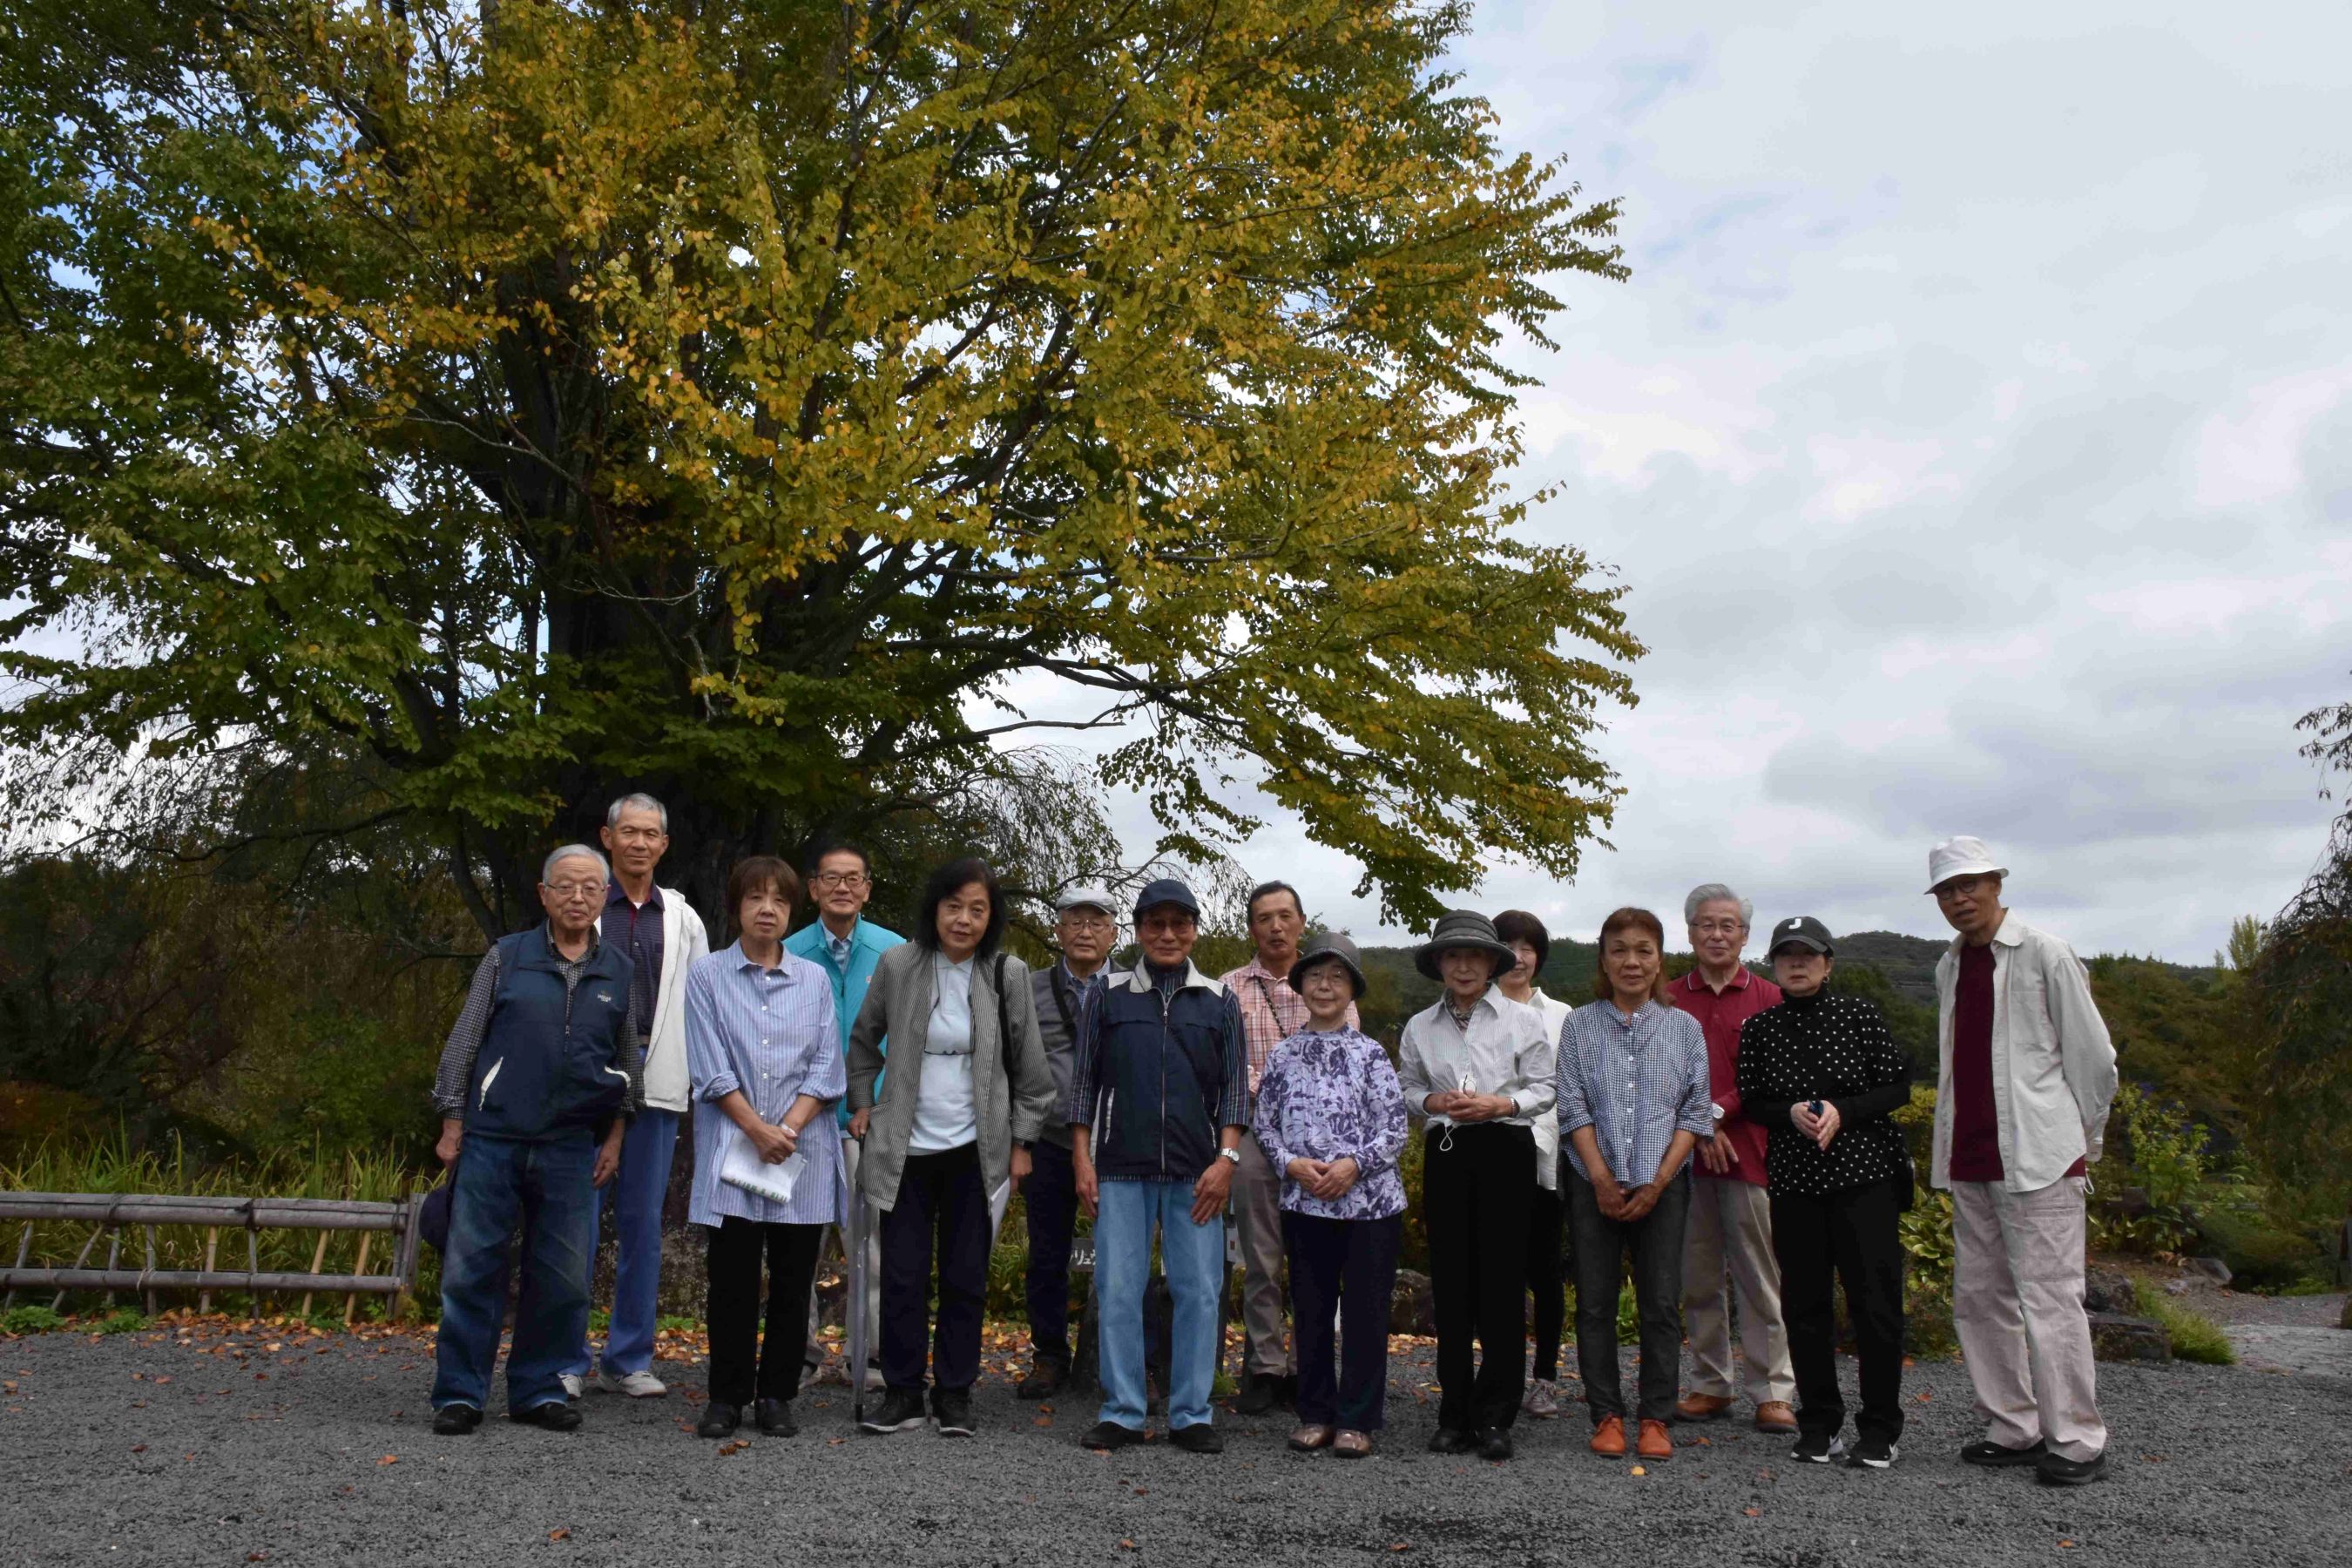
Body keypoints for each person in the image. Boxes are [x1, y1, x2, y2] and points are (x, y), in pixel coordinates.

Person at [427, 845, 642, 1435]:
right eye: (566, 887)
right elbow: (465, 1041)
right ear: (543, 894)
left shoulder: (618, 969)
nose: (578, 898)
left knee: (565, 1278)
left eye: (590, 889)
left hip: (572, 1145)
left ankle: (540, 1389)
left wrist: (615, 1138)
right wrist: (452, 1119)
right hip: (493, 1138)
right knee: (472, 1270)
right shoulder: (507, 956)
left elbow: (627, 1064)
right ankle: (459, 1394)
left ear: (604, 898)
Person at [1927, 837, 2118, 1486]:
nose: (1960, 899)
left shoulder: (2047, 954)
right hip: (1971, 1156)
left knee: (2051, 1300)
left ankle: (2079, 1440)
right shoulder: (1949, 966)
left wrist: (2080, 1144)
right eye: (1948, 891)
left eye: (1969, 885)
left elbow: (2095, 1063)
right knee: (1980, 1300)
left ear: (1997, 883)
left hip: (2041, 1158)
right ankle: (2015, 1426)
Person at [846, 857, 1055, 1438]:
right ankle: (904, 1391)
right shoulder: (899, 964)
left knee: (965, 1275)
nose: (964, 920)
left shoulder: (1006, 974)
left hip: (978, 1147)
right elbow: (863, 1043)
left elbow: (1033, 1073)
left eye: (977, 909)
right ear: (934, 909)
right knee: (903, 1274)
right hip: (905, 1145)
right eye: (953, 906)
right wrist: (862, 1103)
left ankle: (956, 1392)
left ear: (992, 917)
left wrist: (1023, 1142)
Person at [1066, 877, 1249, 1455]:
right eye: (1155, 924)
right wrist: (1082, 1159)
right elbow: (1083, 1085)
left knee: (1199, 1290)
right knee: (1118, 1287)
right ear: (1139, 930)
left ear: (1195, 928)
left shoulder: (1219, 1000)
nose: (1168, 935)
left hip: (1198, 1171)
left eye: (1180, 923)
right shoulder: (1108, 994)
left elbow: (1236, 1093)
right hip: (1120, 1163)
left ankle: (1192, 1413)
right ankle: (1123, 1411)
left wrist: (1226, 1161)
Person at [1736, 916, 1912, 1469]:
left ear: (1827, 963)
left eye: (1807, 955)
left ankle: (1880, 1428)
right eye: (1786, 955)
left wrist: (1846, 1109)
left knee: (1874, 1305)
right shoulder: (1760, 1028)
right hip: (1794, 1182)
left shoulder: (1857, 1015)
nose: (1797, 963)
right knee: (1804, 1306)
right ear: (1774, 964)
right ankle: (1819, 1423)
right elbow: (1752, 1101)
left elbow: (1897, 1086)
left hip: (1865, 1180)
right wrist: (1787, 1113)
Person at [682, 855, 843, 1439]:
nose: (767, 909)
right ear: (736, 907)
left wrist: (788, 1129)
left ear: (792, 909)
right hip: (733, 1146)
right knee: (732, 1279)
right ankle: (725, 1396)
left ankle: (777, 1394)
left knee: (794, 1279)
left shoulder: (815, 980)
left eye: (778, 899)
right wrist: (756, 1128)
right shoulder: (706, 977)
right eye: (755, 898)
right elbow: (710, 1067)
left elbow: (828, 1067)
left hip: (803, 1151)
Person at [563, 793, 711, 1402]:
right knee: (576, 1223)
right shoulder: (582, 905)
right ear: (607, 837)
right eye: (629, 832)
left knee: (643, 1223)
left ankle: (628, 1357)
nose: (640, 844)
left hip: (659, 1071)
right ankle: (565, 1356)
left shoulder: (682, 917)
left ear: (664, 844)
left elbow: (703, 1002)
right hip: (587, 1081)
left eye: (651, 834)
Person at [1397, 909, 1556, 1463]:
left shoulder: (1522, 1020)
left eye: (1474, 955)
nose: (1463, 966)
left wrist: (1501, 1103)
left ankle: (1495, 1417)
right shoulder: (1420, 1026)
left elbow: (1545, 1087)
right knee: (1453, 1284)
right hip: (1447, 1152)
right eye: (1452, 955)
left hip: (1506, 1150)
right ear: (1439, 962)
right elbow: (1408, 1088)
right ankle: (1454, 1415)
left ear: (1492, 963)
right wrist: (1433, 1102)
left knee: (1503, 1286)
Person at [1556, 906, 1712, 1465]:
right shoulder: (1579, 1023)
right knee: (1595, 1304)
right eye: (1619, 949)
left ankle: (1655, 1418)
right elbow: (1572, 1105)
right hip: (1590, 1182)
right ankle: (1606, 1414)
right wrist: (1600, 1178)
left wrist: (1658, 1181)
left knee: (1660, 1305)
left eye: (1644, 949)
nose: (1632, 960)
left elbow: (1695, 1112)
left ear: (1660, 958)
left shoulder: (1684, 1027)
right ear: (1603, 958)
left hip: (1663, 1184)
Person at [1252, 933, 1408, 1459]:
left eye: (1336, 977)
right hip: (1305, 1202)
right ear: (1301, 986)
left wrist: (1353, 1165)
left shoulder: (1371, 1054)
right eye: (1315, 976)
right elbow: (1264, 1124)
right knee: (1312, 1311)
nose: (1324, 985)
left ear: (1351, 990)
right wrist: (1289, 1164)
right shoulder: (1283, 1054)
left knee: (1365, 1312)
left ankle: (1357, 1419)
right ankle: (1315, 1413)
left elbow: (1394, 1129)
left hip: (1370, 1207)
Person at [1220, 880, 1362, 1416]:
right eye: (1263, 918)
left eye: (1285, 916)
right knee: (1261, 1258)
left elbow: (1349, 1066)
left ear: (1301, 921)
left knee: (1315, 1258)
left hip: (1324, 1146)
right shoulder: (1228, 989)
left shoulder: (1331, 985)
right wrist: (1277, 1086)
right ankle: (1264, 1365)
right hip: (1257, 1137)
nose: (1275, 927)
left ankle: (1310, 1365)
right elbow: (1225, 1066)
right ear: (1251, 928)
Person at [1670, 883, 1797, 1435]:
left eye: (1728, 925)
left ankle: (1773, 1391)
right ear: (1691, 931)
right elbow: (1657, 1078)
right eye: (1706, 924)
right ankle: (1710, 1383)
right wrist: (1698, 1128)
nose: (1716, 934)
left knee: (1759, 1279)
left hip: (1753, 1157)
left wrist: (1716, 1115)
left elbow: (1773, 1077)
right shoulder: (1668, 997)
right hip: (1682, 1158)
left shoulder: (1770, 997)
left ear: (1745, 935)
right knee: (1696, 1278)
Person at [783, 841, 902, 1388]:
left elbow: (907, 1040)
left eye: (854, 878)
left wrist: (880, 1104)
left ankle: (870, 1354)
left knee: (870, 1245)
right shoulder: (789, 950)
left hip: (866, 1118)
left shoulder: (895, 952)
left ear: (868, 888)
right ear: (813, 888)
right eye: (831, 878)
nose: (843, 888)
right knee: (797, 1244)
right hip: (800, 1120)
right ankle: (799, 1351)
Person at [1017, 885, 1119, 1399]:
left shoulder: (1133, 987)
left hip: (1118, 1142)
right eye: (1074, 921)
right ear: (1057, 931)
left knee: (1120, 1256)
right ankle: (1049, 1357)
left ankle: (1112, 1360)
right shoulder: (1028, 988)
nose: (1084, 931)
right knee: (1048, 1253)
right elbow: (1010, 1065)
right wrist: (1019, 1139)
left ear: (1114, 933)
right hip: (1050, 1139)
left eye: (1096, 922)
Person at [1490, 910, 1570, 1421]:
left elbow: (1574, 1089)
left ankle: (1545, 1378)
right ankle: (1498, 1375)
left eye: (1528, 946)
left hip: (1551, 1161)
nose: (1518, 956)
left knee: (1545, 1274)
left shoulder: (1565, 1015)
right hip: (1494, 1159)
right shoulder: (1476, 1012)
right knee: (1496, 1274)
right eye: (1508, 946)